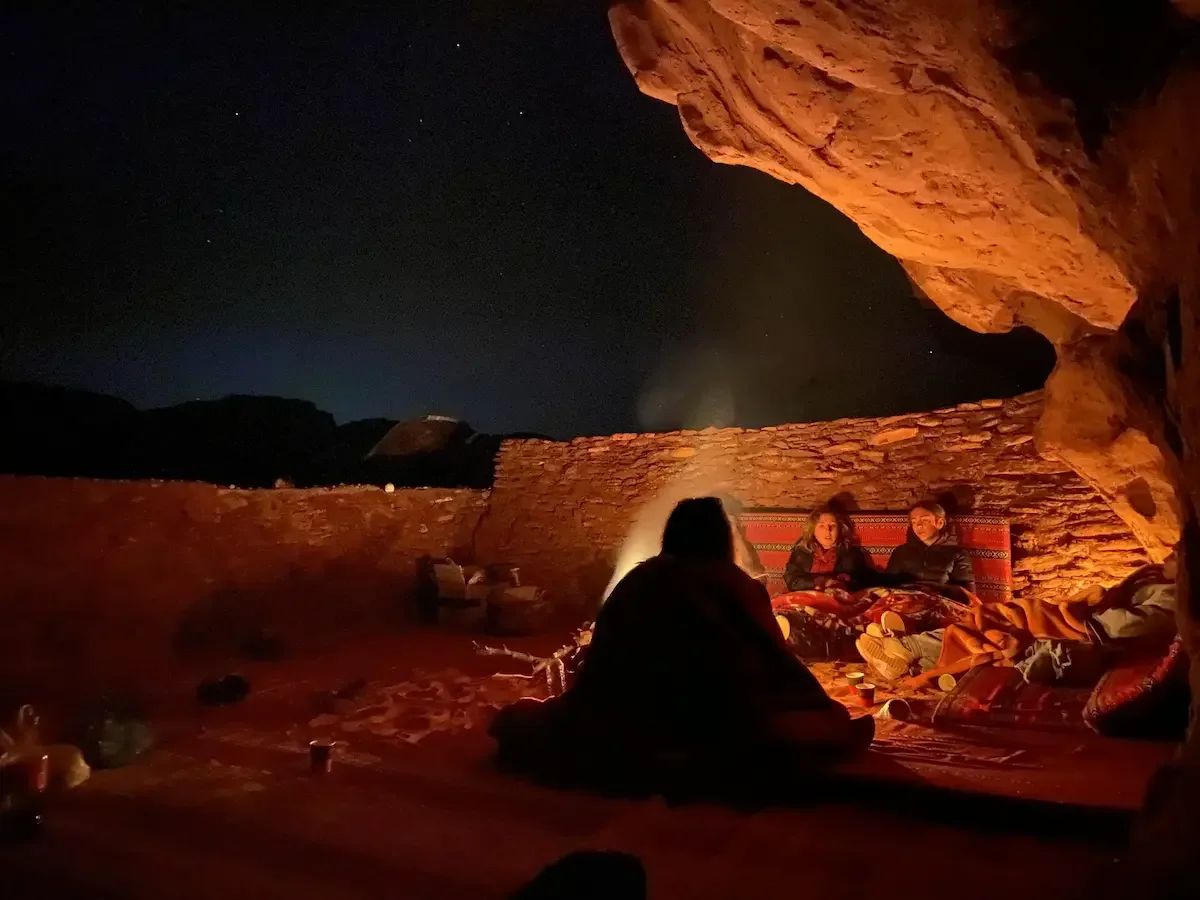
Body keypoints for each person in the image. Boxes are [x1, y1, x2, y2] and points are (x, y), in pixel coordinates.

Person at [489, 497, 874, 790]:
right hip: (710, 716)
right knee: (816, 728)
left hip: (625, 714)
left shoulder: (636, 581)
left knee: (524, 720)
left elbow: (604, 664)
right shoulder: (737, 586)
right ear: (722, 539)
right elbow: (775, 662)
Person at [783, 505, 877, 592]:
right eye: (821, 526)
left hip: (839, 601)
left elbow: (864, 581)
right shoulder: (801, 551)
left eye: (832, 526)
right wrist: (817, 582)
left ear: (840, 529)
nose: (828, 530)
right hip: (805, 599)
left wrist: (843, 582)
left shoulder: (852, 553)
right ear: (813, 530)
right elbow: (792, 580)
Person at [885, 501, 975, 591]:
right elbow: (888, 585)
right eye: (914, 522)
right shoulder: (901, 552)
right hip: (904, 601)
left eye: (925, 520)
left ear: (939, 523)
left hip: (940, 602)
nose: (919, 526)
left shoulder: (958, 554)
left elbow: (966, 593)